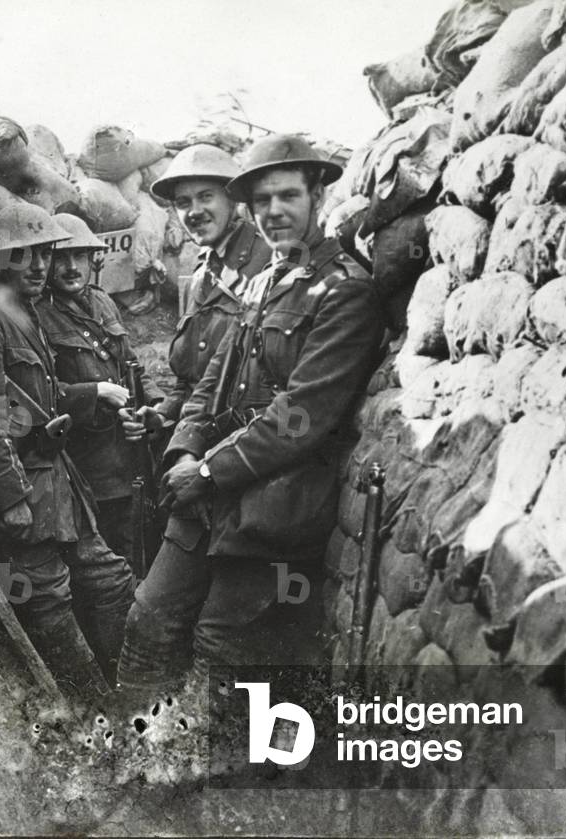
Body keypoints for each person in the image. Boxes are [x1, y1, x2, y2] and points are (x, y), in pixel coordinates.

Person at [117, 135, 384, 694]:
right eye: (262, 201)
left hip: (276, 503)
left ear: (316, 196)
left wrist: (211, 470)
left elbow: (303, 413)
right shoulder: (265, 282)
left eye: (288, 196)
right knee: (148, 618)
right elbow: (215, 376)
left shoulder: (345, 291)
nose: (274, 212)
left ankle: (214, 774)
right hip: (211, 490)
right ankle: (132, 768)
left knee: (224, 651)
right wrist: (187, 445)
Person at [0, 203, 136, 700]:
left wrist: (90, 393)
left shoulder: (25, 313)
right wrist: (11, 497)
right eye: (22, 254)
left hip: (57, 486)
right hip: (21, 493)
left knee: (111, 580)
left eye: (43, 252)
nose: (37, 265)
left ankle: (129, 693)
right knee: (49, 602)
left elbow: (44, 398)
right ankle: (92, 710)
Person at [34, 213, 163, 560]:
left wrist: (155, 406)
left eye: (80, 256)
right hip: (87, 466)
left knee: (142, 547)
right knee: (105, 561)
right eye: (60, 257)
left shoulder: (103, 301)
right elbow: (38, 392)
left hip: (131, 456)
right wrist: (95, 392)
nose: (71, 267)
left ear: (93, 259)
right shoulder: (36, 315)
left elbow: (132, 364)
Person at [150, 144, 271, 422]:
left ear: (233, 200)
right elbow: (188, 380)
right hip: (196, 430)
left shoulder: (267, 261)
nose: (194, 211)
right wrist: (161, 414)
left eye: (206, 197)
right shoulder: (203, 272)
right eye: (183, 203)